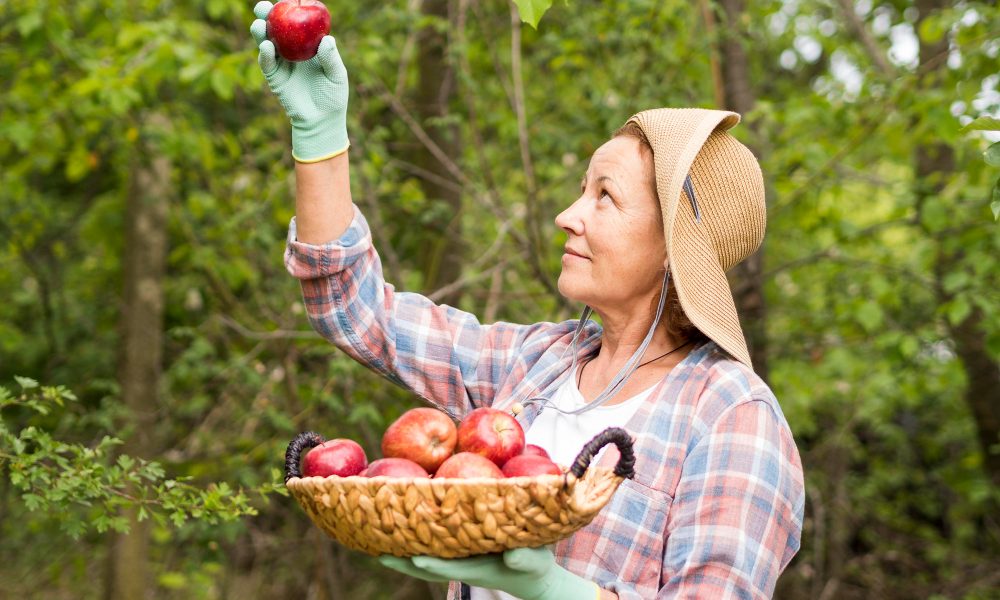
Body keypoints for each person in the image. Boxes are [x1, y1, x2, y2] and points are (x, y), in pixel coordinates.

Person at [251, 3, 805, 599]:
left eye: (605, 197)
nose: (568, 215)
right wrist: (320, 138)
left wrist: (553, 589)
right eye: (581, 190)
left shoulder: (733, 416)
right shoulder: (539, 362)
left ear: (675, 247)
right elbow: (355, 310)